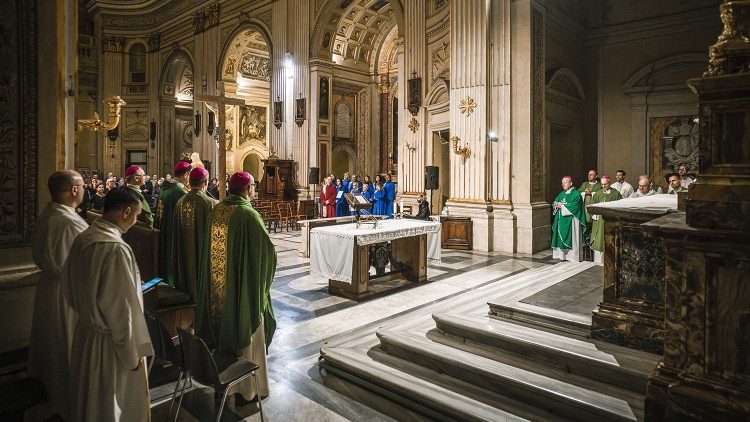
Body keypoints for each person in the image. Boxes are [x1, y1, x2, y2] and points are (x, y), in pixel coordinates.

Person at [62, 186, 154, 421]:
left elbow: (69, 286)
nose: (136, 220)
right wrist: (132, 354)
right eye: (136, 215)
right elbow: (121, 311)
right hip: (111, 347)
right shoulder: (115, 249)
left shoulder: (84, 238)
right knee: (110, 405)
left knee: (88, 402)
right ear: (125, 212)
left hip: (86, 336)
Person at [196, 172, 276, 404]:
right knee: (247, 333)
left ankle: (223, 384)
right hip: (243, 294)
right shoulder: (248, 214)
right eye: (253, 186)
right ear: (248, 189)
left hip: (216, 291)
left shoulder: (217, 210)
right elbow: (267, 254)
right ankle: (248, 390)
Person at [27, 170, 88, 421]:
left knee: (54, 348)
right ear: (74, 190)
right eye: (82, 185)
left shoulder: (49, 215)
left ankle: (55, 400)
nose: (84, 189)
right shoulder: (69, 223)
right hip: (68, 292)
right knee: (67, 350)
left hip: (50, 289)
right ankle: (70, 405)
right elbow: (83, 264)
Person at [173, 167, 218, 301]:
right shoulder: (211, 203)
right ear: (205, 182)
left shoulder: (180, 202)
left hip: (183, 254)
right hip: (203, 255)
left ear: (190, 182)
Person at [155, 161, 190, 287]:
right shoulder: (179, 193)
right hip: (173, 232)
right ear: (186, 175)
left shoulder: (165, 189)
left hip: (163, 229)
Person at [588, 175, 622, 264]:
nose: (603, 186)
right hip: (599, 221)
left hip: (611, 221)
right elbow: (592, 206)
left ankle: (610, 261)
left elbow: (620, 207)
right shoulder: (597, 194)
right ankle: (598, 261)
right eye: (602, 184)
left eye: (605, 184)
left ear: (609, 182)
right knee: (599, 239)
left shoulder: (616, 194)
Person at [552, 176, 586, 262]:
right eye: (562, 183)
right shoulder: (562, 194)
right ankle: (562, 256)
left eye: (565, 182)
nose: (563, 184)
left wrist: (562, 206)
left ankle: (572, 257)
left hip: (572, 221)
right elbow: (555, 201)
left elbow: (576, 207)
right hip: (561, 219)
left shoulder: (576, 194)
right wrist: (555, 204)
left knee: (573, 238)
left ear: (571, 183)